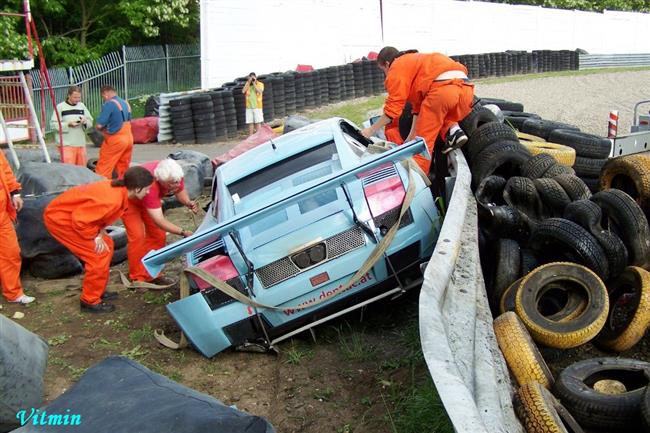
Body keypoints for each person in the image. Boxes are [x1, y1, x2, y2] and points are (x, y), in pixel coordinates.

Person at [44, 166, 154, 313]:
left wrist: (100, 232)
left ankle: (97, 290)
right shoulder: (112, 199)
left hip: (74, 218)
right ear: (137, 188)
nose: (148, 192)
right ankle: (89, 301)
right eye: (147, 189)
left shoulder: (120, 192)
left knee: (107, 245)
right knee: (97, 255)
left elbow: (97, 215)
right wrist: (94, 236)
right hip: (62, 221)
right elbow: (80, 220)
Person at [361, 47, 474, 173]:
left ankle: (418, 181)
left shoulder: (396, 67)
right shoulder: (417, 61)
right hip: (466, 92)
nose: (386, 74)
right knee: (439, 116)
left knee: (422, 144)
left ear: (387, 64)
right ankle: (453, 131)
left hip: (442, 92)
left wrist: (370, 130)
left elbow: (393, 109)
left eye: (383, 71)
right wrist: (410, 137)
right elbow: (418, 109)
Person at [122, 158, 198, 284]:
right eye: (170, 185)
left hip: (150, 200)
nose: (175, 186)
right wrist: (182, 231)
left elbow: (180, 190)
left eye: (177, 182)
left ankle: (154, 273)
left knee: (158, 235)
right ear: (159, 181)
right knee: (137, 236)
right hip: (130, 202)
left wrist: (188, 202)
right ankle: (138, 276)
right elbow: (159, 220)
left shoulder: (175, 174)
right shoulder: (151, 187)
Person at [0, 151, 35, 305]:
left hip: (2, 214)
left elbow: (6, 170)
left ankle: (13, 293)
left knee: (11, 253)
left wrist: (14, 193)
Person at [95, 85, 134, 179]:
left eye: (103, 96)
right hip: (129, 138)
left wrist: (98, 128)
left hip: (116, 139)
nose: (104, 98)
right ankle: (123, 187)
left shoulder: (110, 104)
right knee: (123, 166)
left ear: (106, 93)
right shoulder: (125, 103)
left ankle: (101, 188)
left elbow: (100, 125)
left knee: (104, 167)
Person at [50, 86, 93, 166]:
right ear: (69, 96)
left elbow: (90, 121)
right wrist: (68, 124)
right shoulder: (60, 107)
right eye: (75, 97)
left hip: (80, 143)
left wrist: (85, 122)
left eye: (79, 97)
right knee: (68, 168)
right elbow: (53, 125)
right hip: (66, 144)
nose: (77, 99)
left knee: (82, 168)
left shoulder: (82, 106)